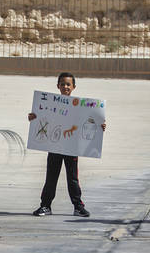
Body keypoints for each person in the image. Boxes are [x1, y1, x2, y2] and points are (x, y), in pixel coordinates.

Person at [28, 72, 104, 217]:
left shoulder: (80, 106)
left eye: (68, 84)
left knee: (73, 178)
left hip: (72, 147)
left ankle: (78, 206)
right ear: (58, 86)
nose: (65, 86)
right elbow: (41, 118)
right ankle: (45, 206)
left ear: (74, 87)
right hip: (55, 146)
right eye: (62, 84)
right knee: (51, 176)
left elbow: (90, 121)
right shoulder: (50, 104)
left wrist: (101, 126)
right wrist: (33, 117)